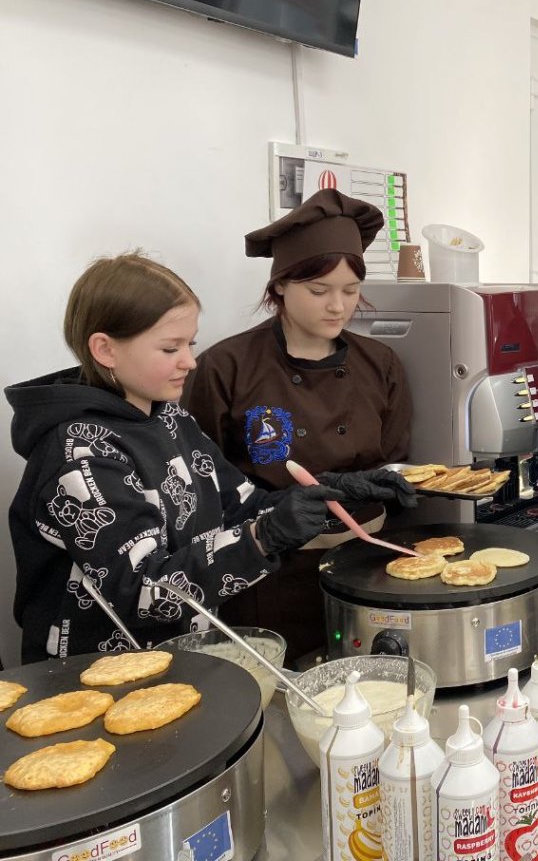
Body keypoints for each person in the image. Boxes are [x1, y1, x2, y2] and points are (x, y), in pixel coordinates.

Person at [5, 253, 376, 663]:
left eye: (190, 343)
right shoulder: (81, 453)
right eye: (170, 348)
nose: (190, 361)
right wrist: (263, 538)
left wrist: (333, 492)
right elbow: (144, 592)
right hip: (91, 676)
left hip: (180, 660)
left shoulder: (171, 419)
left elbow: (242, 505)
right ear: (105, 349)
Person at [184, 189, 415, 663]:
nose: (338, 306)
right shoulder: (225, 368)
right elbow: (203, 487)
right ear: (280, 287)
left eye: (350, 290)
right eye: (319, 290)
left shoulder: (381, 364)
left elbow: (394, 463)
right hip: (270, 577)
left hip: (369, 568)